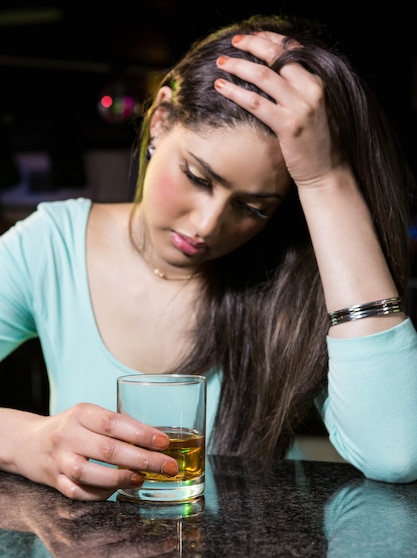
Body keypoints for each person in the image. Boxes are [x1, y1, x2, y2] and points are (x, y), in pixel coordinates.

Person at [1, 13, 417, 501]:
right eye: (199, 177)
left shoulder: (287, 279)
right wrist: (26, 441)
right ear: (159, 120)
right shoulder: (52, 246)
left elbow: (398, 450)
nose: (207, 226)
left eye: (252, 207)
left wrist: (327, 181)